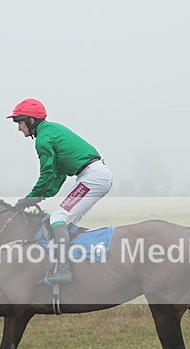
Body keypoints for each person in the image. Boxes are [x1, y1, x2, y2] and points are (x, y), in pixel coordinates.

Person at [8, 98, 113, 283]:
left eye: (19, 122)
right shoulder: (50, 130)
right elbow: (58, 177)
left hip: (93, 177)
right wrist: (36, 198)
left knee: (58, 219)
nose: (18, 128)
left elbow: (47, 174)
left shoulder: (43, 139)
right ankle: (77, 264)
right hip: (91, 175)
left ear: (31, 120)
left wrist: (30, 198)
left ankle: (64, 271)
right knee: (63, 221)